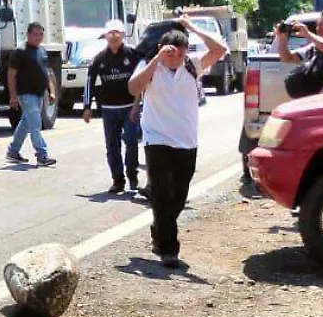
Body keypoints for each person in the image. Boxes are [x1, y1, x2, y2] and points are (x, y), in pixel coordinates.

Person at [127, 20, 228, 270]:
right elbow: (133, 87)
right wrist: (157, 59)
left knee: (179, 196)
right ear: (162, 49)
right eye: (173, 54)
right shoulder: (149, 67)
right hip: (156, 139)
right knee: (161, 193)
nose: (177, 59)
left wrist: (192, 28)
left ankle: (160, 228)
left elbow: (220, 50)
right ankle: (169, 250)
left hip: (186, 141)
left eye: (182, 54)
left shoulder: (192, 66)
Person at [81, 21, 143, 194]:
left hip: (130, 106)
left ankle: (132, 177)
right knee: (112, 146)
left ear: (123, 35)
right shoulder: (100, 58)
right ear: (105, 36)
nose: (114, 36)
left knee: (131, 142)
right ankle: (118, 180)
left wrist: (138, 103)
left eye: (117, 33)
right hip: (108, 109)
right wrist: (87, 106)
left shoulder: (133, 54)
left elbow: (144, 78)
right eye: (110, 33)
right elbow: (89, 82)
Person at [5, 24, 58, 166]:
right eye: (35, 34)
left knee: (26, 124)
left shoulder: (42, 51)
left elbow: (46, 73)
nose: (38, 37)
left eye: (41, 34)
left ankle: (13, 151)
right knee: (35, 124)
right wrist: (13, 96)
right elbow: (11, 75)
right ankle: (42, 155)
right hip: (25, 94)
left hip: (39, 94)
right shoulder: (19, 52)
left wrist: (51, 91)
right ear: (28, 34)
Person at [276, 6, 323, 97]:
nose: (317, 29)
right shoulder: (314, 46)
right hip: (312, 103)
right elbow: (287, 58)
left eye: (322, 25)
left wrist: (308, 34)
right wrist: (282, 39)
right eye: (317, 25)